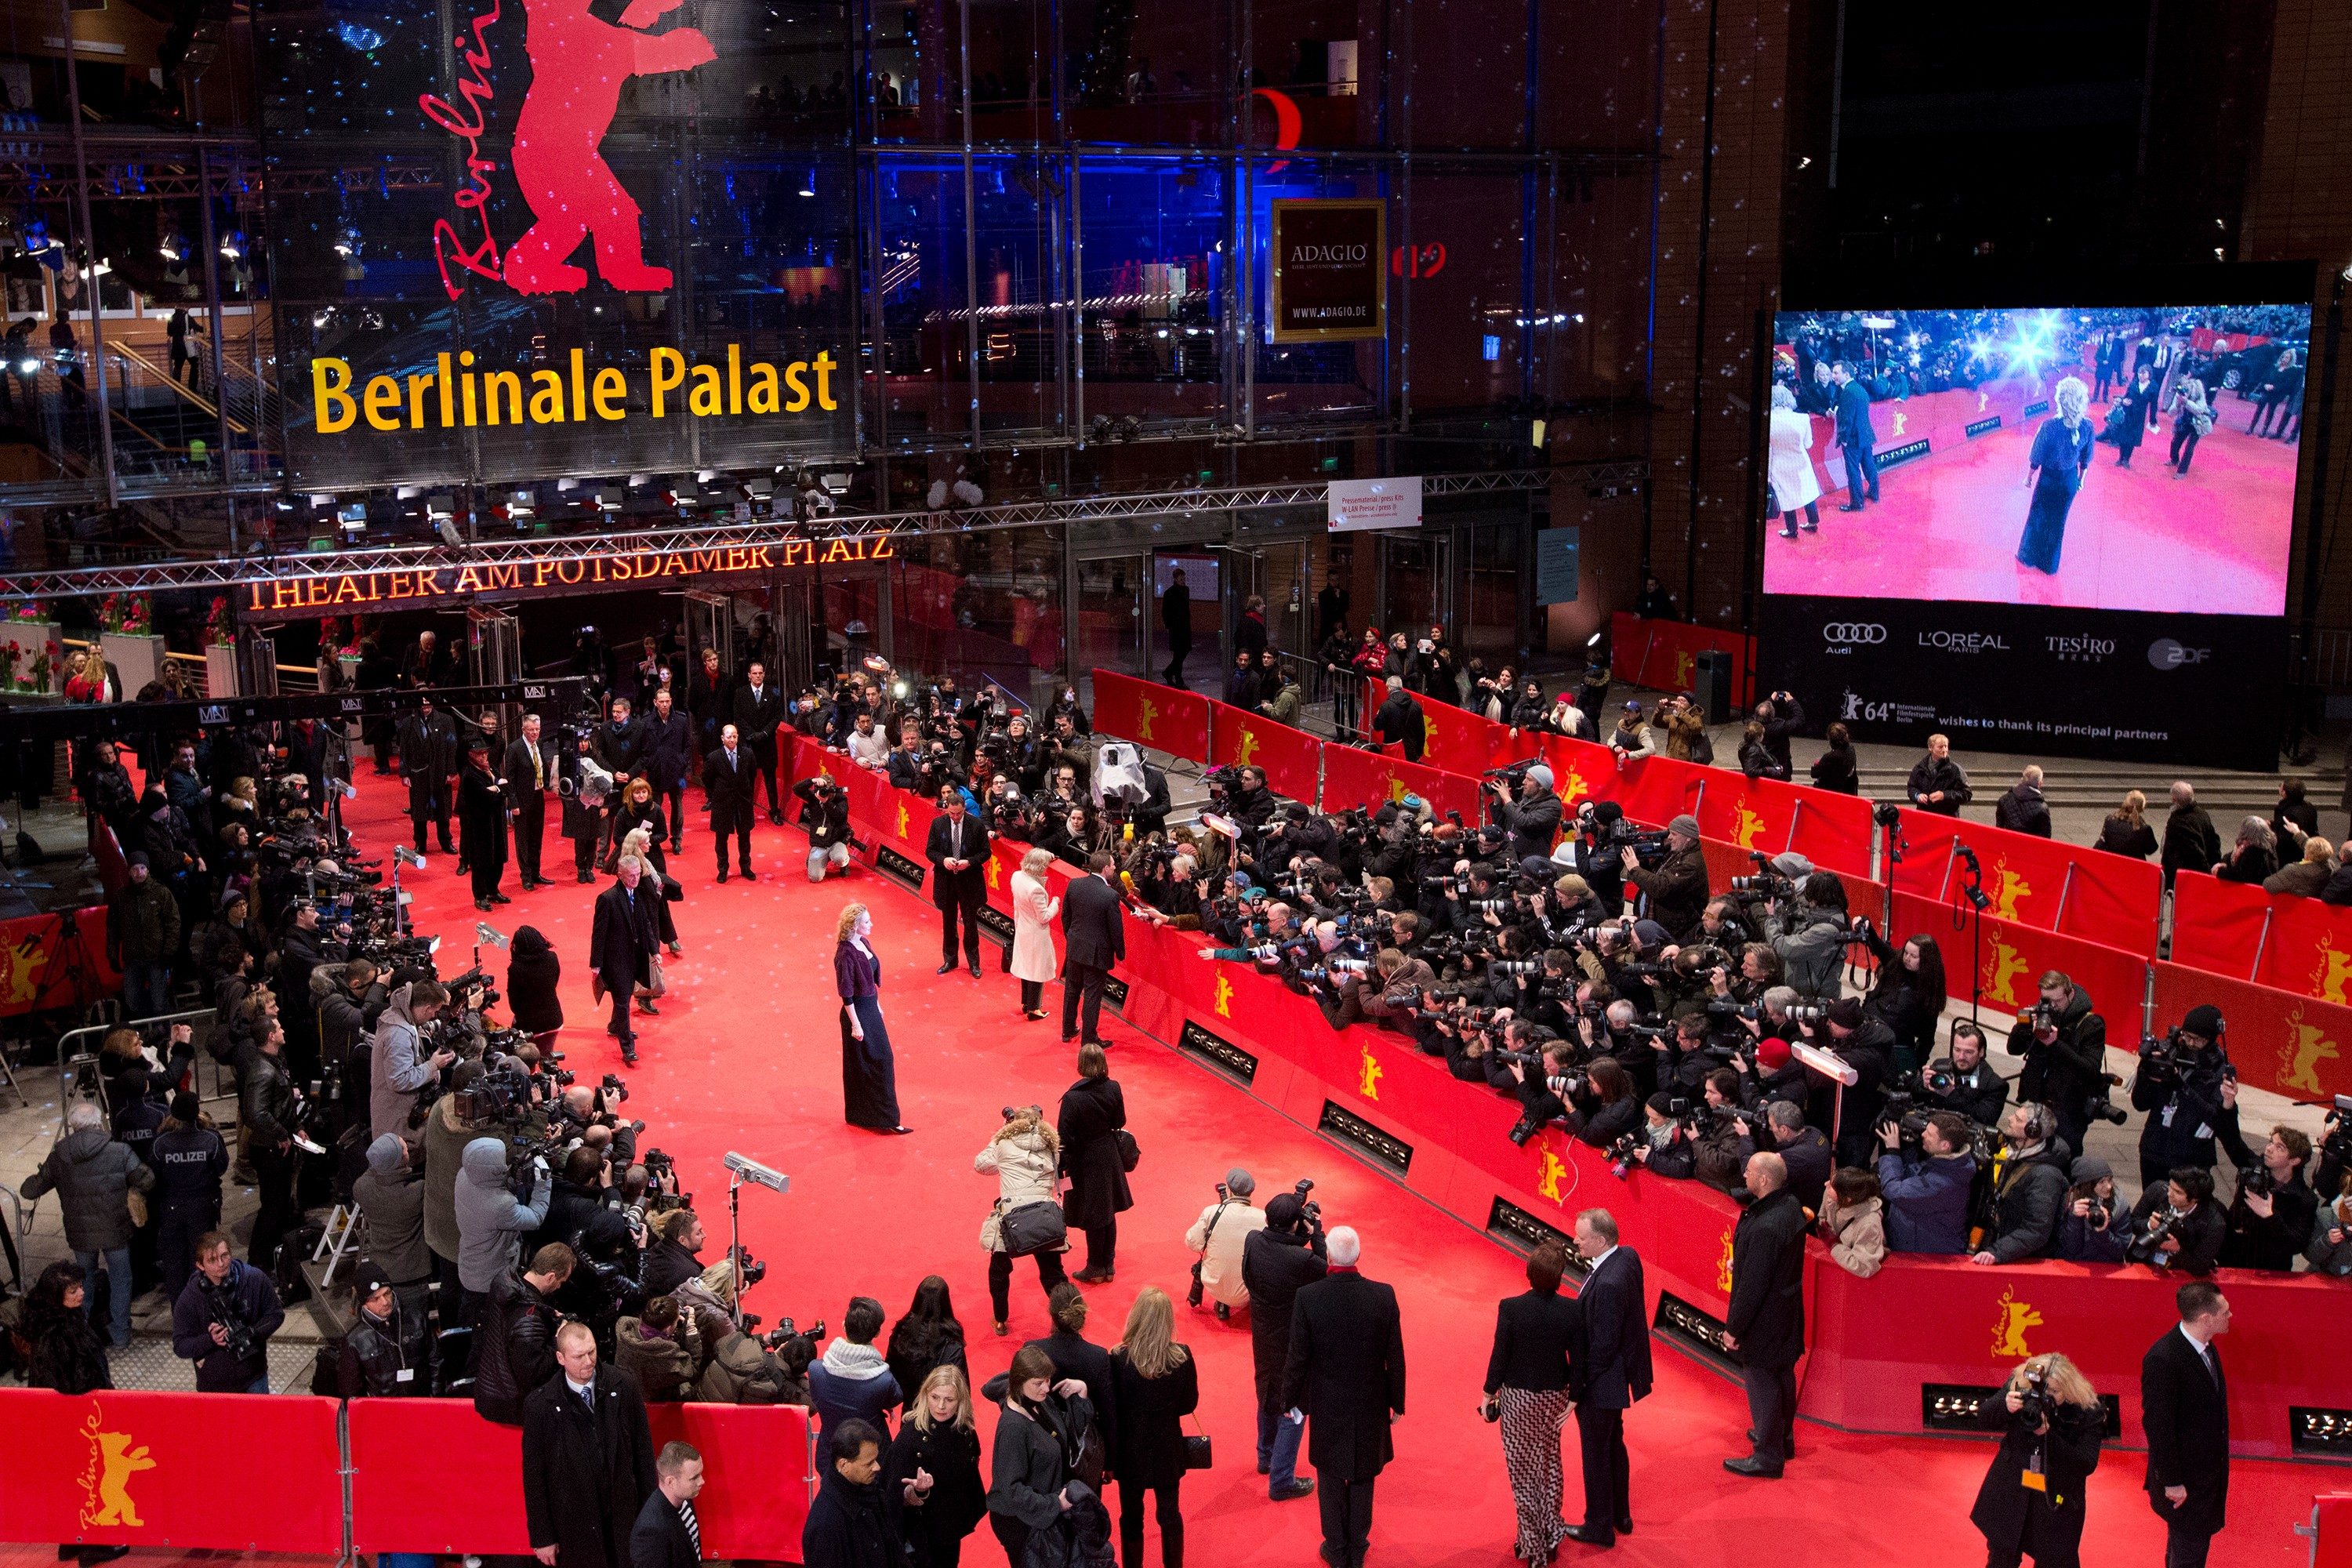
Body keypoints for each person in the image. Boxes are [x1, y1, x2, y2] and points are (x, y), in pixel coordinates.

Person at [1283, 1225, 1405, 1568]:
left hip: (1328, 1403)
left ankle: (1336, 1549)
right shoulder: (1383, 1295)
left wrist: (1289, 1400)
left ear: (1329, 1257)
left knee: (1331, 1476)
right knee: (1364, 1475)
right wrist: (1397, 1401)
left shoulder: (1308, 1297)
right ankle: (1357, 1547)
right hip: (1371, 1403)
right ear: (1358, 1256)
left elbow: (1297, 1357)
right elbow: (1395, 1355)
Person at [521, 1320, 659, 1568]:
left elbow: (644, 1455)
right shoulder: (539, 1406)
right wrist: (542, 1537)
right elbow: (534, 1478)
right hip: (575, 1526)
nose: (588, 1361)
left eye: (591, 1352)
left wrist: (651, 1516)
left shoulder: (624, 1385)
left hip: (624, 1518)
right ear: (561, 1358)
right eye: (579, 1356)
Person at [23, 1099, 155, 1350]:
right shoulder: (119, 1151)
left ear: (73, 1126)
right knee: (121, 1279)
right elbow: (147, 1180)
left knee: (82, 1283)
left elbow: (30, 1191)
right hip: (116, 1229)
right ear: (98, 1122)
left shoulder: (59, 1155)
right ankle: (120, 1335)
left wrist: (39, 1174)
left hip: (80, 1233)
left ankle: (80, 1333)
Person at [1481, 1240, 1580, 1566]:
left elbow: (1500, 1354)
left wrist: (1488, 1393)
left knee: (1522, 1471)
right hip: (1555, 1397)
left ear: (1529, 1273)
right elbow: (1579, 1358)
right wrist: (1574, 1397)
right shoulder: (1571, 1310)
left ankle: (1532, 1544)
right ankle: (1550, 1535)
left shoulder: (1511, 1308)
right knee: (1549, 1464)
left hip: (1518, 1400)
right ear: (1560, 1276)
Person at [1971, 1352, 2104, 1568]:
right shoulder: (2021, 1386)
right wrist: (2004, 1406)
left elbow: (2086, 1463)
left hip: (2056, 1499)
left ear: (2070, 1389)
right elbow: (1984, 1419)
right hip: (2012, 1491)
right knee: (2001, 1559)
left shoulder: (2088, 1411)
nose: (2046, 1396)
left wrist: (2048, 1436)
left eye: (2054, 1391)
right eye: (2042, 1389)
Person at [1723, 1152, 1806, 1478]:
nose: (1744, 1175)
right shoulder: (1790, 1207)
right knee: (1783, 1374)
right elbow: (1773, 1261)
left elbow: (1753, 1288)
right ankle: (1782, 1439)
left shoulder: (1766, 1226)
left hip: (1765, 1319)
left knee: (1762, 1383)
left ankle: (1768, 1457)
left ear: (1764, 1179)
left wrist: (1733, 1328)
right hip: (1786, 1310)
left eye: (1749, 1171)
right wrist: (1745, 1259)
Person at [1568, 1209, 1648, 1546]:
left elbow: (1604, 1344)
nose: (1575, 1241)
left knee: (1596, 1455)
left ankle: (1599, 1526)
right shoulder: (1627, 1257)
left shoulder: (1609, 1284)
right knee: (1613, 1445)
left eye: (1581, 1237)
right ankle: (1619, 1515)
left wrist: (1579, 1385)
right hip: (1616, 1379)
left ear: (1601, 1241)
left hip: (1602, 1385)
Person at [1242, 1192, 1325, 1504]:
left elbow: (1279, 1248)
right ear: (1294, 1224)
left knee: (1267, 1395)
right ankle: (1281, 1480)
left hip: (1263, 1337)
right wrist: (1316, 1234)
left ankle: (1266, 1457)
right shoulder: (1301, 1261)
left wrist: (1297, 1233)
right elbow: (1326, 1271)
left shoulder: (1253, 1241)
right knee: (1295, 1407)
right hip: (1293, 1344)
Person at [1109, 1287, 1200, 1568]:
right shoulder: (1182, 1357)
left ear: (1135, 1316)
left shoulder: (1118, 1359)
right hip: (1167, 1449)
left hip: (1130, 1451)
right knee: (1170, 1513)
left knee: (1131, 1516)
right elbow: (1189, 1404)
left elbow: (1113, 1407)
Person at [2143, 1283, 2230, 1568]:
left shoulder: (2206, 1348)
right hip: (2186, 1483)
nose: (2230, 1316)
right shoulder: (2163, 1359)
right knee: (2188, 1555)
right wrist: (2172, 1481)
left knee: (2184, 1549)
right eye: (2225, 1312)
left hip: (2205, 1477)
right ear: (2206, 1318)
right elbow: (2158, 1426)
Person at [983, 1345, 1096, 1565]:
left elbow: (1065, 1431)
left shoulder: (1038, 1402)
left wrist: (1081, 1394)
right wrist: (1055, 1505)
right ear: (1019, 1382)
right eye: (1038, 1383)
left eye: (1047, 1380)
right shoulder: (1013, 1428)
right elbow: (1010, 1490)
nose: (1046, 1387)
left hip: (1039, 1516)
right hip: (1021, 1526)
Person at [976, 1105, 1069, 1333]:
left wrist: (998, 1137)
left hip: (1012, 1220)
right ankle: (1067, 1321)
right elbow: (1059, 1179)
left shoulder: (1003, 1145)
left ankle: (1000, 1320)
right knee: (1053, 1272)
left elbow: (981, 1165)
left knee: (998, 1269)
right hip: (1045, 1217)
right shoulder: (1052, 1147)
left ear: (1012, 1124)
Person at [885, 1365, 987, 1568]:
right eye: (935, 1397)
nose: (941, 1406)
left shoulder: (965, 1431)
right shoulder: (911, 1435)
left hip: (950, 1529)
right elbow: (890, 1490)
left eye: (949, 1400)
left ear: (961, 1401)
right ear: (926, 1395)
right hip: (920, 1534)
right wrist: (917, 1492)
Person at [171, 1230, 284, 1392]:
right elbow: (180, 1346)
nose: (221, 1264)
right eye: (212, 1260)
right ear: (200, 1266)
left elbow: (276, 1314)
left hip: (254, 1378)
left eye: (224, 1256)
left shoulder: (255, 1279)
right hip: (214, 1386)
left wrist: (253, 1332)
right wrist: (210, 1340)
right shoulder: (189, 1298)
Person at [1059, 1042, 1131, 1283]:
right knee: (1108, 1209)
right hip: (1109, 1155)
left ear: (1081, 1064)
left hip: (1085, 1160)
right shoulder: (1114, 1087)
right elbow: (1119, 1121)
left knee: (1093, 1214)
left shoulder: (1072, 1098)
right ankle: (1108, 1263)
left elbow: (1064, 1137)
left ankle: (1095, 1266)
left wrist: (1061, 1168)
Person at [834, 902, 907, 1134]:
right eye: (867, 921)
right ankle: (886, 1118)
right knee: (874, 1061)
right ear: (855, 926)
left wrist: (877, 1004)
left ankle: (868, 1116)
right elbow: (846, 993)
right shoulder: (845, 954)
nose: (871, 924)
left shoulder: (863, 943)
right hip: (857, 1014)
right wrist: (856, 1025)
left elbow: (869, 982)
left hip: (870, 1009)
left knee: (874, 1061)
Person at [151, 1091, 227, 1302]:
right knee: (203, 1258)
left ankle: (181, 1310)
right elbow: (221, 1167)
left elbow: (154, 1172)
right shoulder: (211, 1139)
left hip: (171, 1208)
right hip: (203, 1207)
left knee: (174, 1262)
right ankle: (203, 1305)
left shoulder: (160, 1143)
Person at [811, 1297, 906, 1466]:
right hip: (874, 1461)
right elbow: (896, 1397)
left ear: (844, 1326)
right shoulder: (883, 1381)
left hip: (831, 1458)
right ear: (877, 1333)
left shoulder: (815, 1370)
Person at [2016, 377, 2096, 575]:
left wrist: (2029, 477)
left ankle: (2028, 557)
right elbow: (2086, 459)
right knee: (2058, 522)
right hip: (2069, 482)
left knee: (2038, 517)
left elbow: (2036, 457)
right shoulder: (2088, 426)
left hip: (2048, 481)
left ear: (2060, 399)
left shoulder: (2049, 426)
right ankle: (2049, 565)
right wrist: (2081, 480)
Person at [591, 856, 662, 1065]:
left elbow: (646, 924)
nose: (636, 879)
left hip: (634, 958)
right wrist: (596, 964)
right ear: (620, 875)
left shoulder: (638, 894)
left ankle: (615, 1026)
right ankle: (627, 1047)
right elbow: (599, 934)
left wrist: (655, 951)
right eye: (631, 875)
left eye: (638, 874)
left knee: (625, 996)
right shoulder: (607, 899)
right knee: (622, 1001)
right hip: (616, 961)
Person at [1875, 1111, 1978, 1254]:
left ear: (1945, 1145)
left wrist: (1893, 1151)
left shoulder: (1942, 1184)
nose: (1923, 1134)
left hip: (1929, 1254)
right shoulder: (1948, 1163)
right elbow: (1910, 1172)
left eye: (1929, 1134)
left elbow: (1893, 1190)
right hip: (1915, 1243)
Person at [1061, 850, 1126, 1046]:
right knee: (1092, 996)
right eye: (1113, 865)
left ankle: (1067, 1029)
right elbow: (1116, 929)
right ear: (1105, 868)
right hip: (1097, 955)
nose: (1115, 868)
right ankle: (1089, 1039)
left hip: (1075, 948)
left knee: (1072, 989)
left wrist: (1071, 938)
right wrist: (1120, 953)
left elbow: (1066, 916)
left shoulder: (1074, 884)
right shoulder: (1110, 895)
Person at [338, 1260, 428, 1397]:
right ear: (364, 1304)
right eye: (375, 1299)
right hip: (384, 1407)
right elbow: (351, 1393)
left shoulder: (416, 1318)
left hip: (423, 1402)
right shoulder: (355, 1341)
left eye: (387, 1293)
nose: (385, 1302)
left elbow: (435, 1361)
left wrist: (435, 1399)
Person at [1182, 1167, 1264, 1319]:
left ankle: (1222, 1304)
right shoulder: (1263, 1217)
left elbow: (1192, 1242)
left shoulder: (1212, 1212)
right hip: (1249, 1291)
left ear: (1229, 1190)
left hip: (1213, 1283)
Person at [107, 852, 180, 1018]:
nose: (139, 873)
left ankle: (160, 1028)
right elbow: (113, 928)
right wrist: (112, 954)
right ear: (129, 872)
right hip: (132, 958)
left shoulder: (161, 893)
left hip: (156, 957)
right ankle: (145, 1026)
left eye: (142, 868)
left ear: (148, 870)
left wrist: (169, 951)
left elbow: (173, 923)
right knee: (132, 1000)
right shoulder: (121, 897)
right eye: (134, 869)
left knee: (159, 1001)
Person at [926, 789, 990, 978]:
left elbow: (986, 852)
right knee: (948, 921)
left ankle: (974, 963)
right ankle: (950, 959)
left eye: (959, 813)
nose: (955, 817)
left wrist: (969, 862)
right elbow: (930, 851)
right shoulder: (938, 824)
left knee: (970, 923)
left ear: (964, 809)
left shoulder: (976, 825)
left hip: (969, 880)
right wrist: (943, 860)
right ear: (947, 809)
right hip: (946, 880)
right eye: (952, 813)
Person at [885, 1276, 971, 1406]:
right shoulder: (952, 1341)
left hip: (910, 1406)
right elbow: (961, 1385)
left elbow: (891, 1372)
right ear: (945, 1302)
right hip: (941, 1409)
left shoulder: (901, 1332)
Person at [396, 695, 459, 855]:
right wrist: (404, 774)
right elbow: (403, 749)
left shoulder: (446, 720)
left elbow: (452, 746)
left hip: (440, 771)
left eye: (428, 702)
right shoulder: (408, 723)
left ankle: (446, 841)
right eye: (422, 702)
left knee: (443, 809)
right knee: (418, 810)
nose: (425, 706)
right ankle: (420, 843)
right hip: (417, 773)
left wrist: (451, 771)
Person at [630, 1442, 708, 1568]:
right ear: (671, 1481)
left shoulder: (684, 1497)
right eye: (694, 1478)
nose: (702, 1481)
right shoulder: (651, 1532)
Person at [1009, 846, 1062, 1022]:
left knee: (1027, 968)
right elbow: (1044, 917)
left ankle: (1027, 1003)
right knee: (1037, 971)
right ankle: (1034, 1009)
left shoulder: (1017, 876)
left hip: (1023, 928)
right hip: (1036, 934)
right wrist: (1055, 903)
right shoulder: (1035, 889)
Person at [729, 661, 787, 822]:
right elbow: (738, 717)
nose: (758, 676)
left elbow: (777, 716)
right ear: (749, 675)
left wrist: (764, 733)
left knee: (770, 779)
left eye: (761, 673)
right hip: (748, 743)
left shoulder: (773, 692)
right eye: (755, 673)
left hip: (767, 742)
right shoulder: (741, 693)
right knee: (747, 780)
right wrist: (751, 734)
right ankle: (745, 813)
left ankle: (775, 811)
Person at [504, 713, 556, 890]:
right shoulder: (514, 748)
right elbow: (510, 778)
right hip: (521, 800)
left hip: (538, 796)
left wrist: (548, 784)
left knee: (536, 837)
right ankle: (526, 876)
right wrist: (513, 803)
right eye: (531, 730)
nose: (535, 733)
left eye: (537, 729)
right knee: (523, 840)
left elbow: (542, 767)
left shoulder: (539, 743)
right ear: (523, 730)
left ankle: (536, 873)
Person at [459, 741, 510, 910]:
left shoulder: (491, 768)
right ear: (471, 755)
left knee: (498, 858)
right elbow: (485, 796)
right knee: (481, 861)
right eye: (479, 754)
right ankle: (480, 896)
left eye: (485, 753)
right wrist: (498, 789)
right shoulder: (469, 774)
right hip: (479, 825)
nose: (483, 757)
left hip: (495, 821)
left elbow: (505, 788)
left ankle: (493, 890)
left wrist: (496, 789)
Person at [703, 723, 758, 882]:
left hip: (743, 802)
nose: (732, 739)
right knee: (721, 839)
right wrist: (717, 793)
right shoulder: (714, 757)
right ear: (722, 738)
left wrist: (747, 793)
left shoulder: (747, 754)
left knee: (745, 837)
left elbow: (752, 775)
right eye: (729, 737)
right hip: (722, 803)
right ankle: (723, 869)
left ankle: (746, 867)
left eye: (735, 736)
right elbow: (707, 778)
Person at [1767, 383, 1823, 538]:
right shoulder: (1803, 418)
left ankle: (1791, 530)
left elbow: (1769, 450)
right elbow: (1808, 444)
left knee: (1787, 498)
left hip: (1779, 465)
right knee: (1807, 492)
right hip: (1801, 462)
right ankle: (1813, 522)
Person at [1829, 359, 1878, 510]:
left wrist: (1844, 439)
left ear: (1846, 374)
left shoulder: (1848, 392)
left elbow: (1847, 419)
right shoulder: (1859, 388)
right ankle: (1874, 493)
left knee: (1853, 472)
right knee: (1869, 466)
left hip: (1853, 439)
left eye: (1836, 373)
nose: (1833, 376)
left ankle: (1857, 503)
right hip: (1866, 435)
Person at [2161, 782, 2221, 890]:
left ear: (2174, 800)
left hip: (2185, 878)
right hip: (2196, 874)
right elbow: (2215, 842)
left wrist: (2207, 873)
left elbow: (2195, 852)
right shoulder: (2202, 814)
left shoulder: (2178, 822)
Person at [1907, 734, 1971, 816]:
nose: (1944, 750)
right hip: (1924, 816)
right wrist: (1917, 796)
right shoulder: (1919, 768)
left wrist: (1944, 795)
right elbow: (1911, 788)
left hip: (1947, 817)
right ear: (1931, 748)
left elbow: (1966, 794)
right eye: (1940, 747)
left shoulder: (1955, 770)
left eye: (1946, 746)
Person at [2167, 373, 2212, 476]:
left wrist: (2186, 402)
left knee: (2189, 448)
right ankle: (2174, 460)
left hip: (2198, 423)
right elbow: (2170, 413)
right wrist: (2178, 404)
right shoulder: (2180, 394)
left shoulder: (2199, 393)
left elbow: (2199, 410)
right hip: (2185, 420)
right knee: (2175, 442)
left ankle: (2182, 471)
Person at [2097, 789, 2159, 858]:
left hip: (2112, 862)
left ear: (2125, 804)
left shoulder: (2110, 820)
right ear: (2142, 808)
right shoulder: (2144, 828)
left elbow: (2102, 843)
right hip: (2134, 863)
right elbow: (2150, 850)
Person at [1995, 767, 2052, 837]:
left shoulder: (2004, 800)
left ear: (2022, 779)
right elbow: (2045, 837)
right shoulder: (2042, 808)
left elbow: (1999, 829)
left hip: (2008, 842)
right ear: (2040, 783)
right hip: (2029, 844)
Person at [1160, 567, 1192, 688]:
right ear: (1175, 579)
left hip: (1184, 627)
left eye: (1184, 579)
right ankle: (1178, 679)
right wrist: (1169, 625)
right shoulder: (1169, 593)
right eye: (1181, 579)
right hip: (1176, 628)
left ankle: (1169, 673)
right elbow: (1165, 611)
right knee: (1179, 653)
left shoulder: (1186, 590)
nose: (1183, 581)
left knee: (1183, 652)